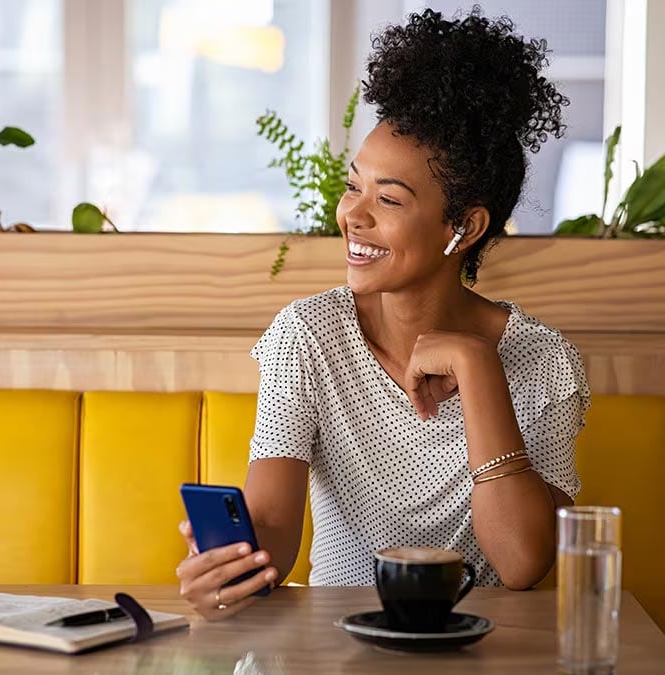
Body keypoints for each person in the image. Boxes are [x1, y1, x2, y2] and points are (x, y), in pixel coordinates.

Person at [177, 7, 590, 620]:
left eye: (388, 198)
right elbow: (273, 527)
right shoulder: (309, 335)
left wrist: (478, 368)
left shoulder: (545, 361)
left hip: (480, 654)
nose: (353, 215)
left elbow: (523, 563)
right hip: (338, 647)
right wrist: (234, 564)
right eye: (354, 186)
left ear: (465, 227)